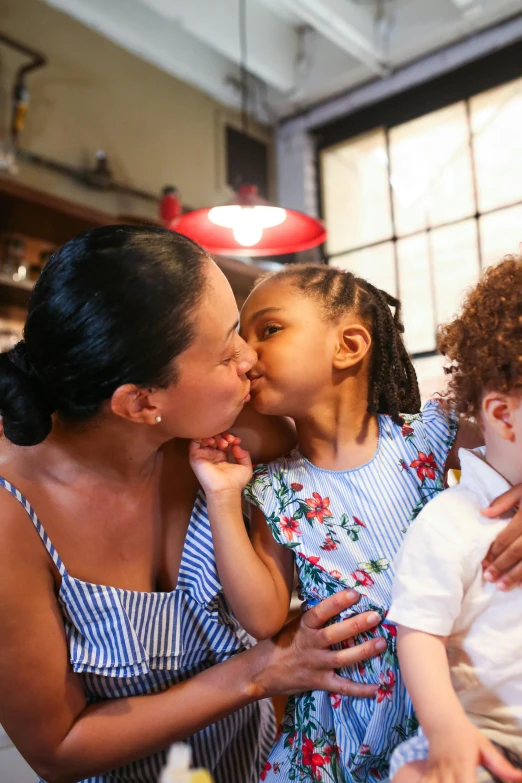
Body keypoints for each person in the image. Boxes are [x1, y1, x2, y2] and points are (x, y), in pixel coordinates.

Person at [0, 226, 387, 783]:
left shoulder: (233, 429)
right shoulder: (14, 514)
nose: (250, 358)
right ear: (140, 402)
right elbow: (58, 749)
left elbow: (391, 444)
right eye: (228, 347)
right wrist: (262, 672)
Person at [189, 263, 522, 783]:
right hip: (342, 724)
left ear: (349, 345)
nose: (249, 354)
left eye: (269, 330)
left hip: (450, 703)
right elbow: (262, 615)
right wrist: (223, 496)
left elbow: (514, 435)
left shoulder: (431, 433)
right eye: (243, 338)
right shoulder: (274, 486)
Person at [387, 257, 522, 783]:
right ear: (504, 416)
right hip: (489, 736)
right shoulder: (452, 521)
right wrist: (445, 729)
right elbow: (418, 633)